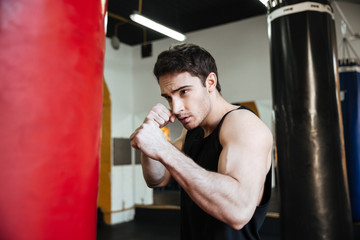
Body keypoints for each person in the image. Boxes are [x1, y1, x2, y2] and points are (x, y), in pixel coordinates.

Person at [130, 43, 273, 239]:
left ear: (210, 82)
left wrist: (163, 148)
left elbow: (238, 211)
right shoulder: (192, 133)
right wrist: (149, 144)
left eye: (184, 92)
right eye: (169, 98)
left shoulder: (243, 125)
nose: (176, 107)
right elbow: (156, 179)